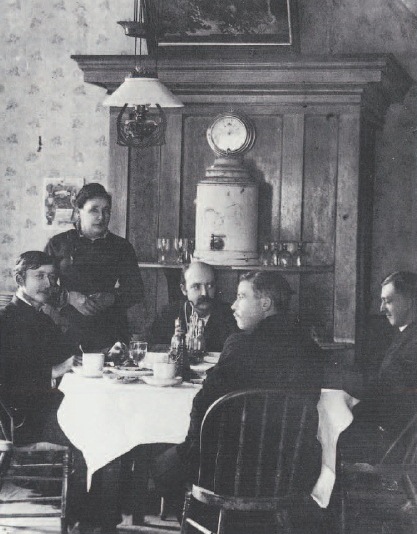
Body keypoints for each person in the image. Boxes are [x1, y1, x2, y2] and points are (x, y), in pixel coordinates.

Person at [152, 271, 324, 531]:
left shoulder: (241, 345)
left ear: (265, 304)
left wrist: (192, 450)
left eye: (242, 296)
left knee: (163, 468)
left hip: (231, 470)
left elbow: (204, 405)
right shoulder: (310, 348)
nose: (233, 305)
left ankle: (211, 525)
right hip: (289, 469)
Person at [45, 182, 144, 352]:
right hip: (66, 330)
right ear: (78, 212)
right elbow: (41, 288)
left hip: (110, 332)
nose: (101, 217)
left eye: (106, 211)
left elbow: (136, 290)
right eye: (94, 210)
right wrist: (69, 297)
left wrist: (112, 297)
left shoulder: (121, 247)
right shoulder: (58, 244)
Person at [0, 251, 75, 446]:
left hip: (45, 409)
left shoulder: (43, 319)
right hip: (22, 421)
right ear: (19, 279)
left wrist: (107, 355)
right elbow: (6, 380)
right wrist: (54, 370)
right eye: (39, 276)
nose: (49, 284)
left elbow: (69, 355)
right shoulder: (5, 321)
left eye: (52, 277)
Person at [342, 271, 417, 462]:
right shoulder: (404, 335)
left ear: (409, 301)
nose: (381, 308)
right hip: (395, 433)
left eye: (388, 301)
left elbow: (397, 397)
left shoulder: (413, 342)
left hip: (397, 443)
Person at [149, 261, 237, 351]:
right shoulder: (168, 314)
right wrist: (175, 345)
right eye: (196, 287)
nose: (204, 293)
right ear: (184, 289)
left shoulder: (231, 315)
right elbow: (149, 346)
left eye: (210, 285)